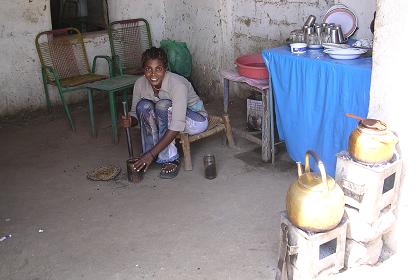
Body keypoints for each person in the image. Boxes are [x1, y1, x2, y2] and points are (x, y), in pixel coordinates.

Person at [121, 47, 208, 179]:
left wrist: (150, 155)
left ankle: (170, 159)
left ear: (165, 69)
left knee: (163, 106)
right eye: (148, 69)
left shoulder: (177, 84)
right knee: (143, 106)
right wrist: (130, 121)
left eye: (158, 69)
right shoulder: (139, 84)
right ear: (143, 70)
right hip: (169, 117)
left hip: (196, 120)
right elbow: (135, 114)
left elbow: (177, 125)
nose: (153, 74)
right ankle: (152, 153)